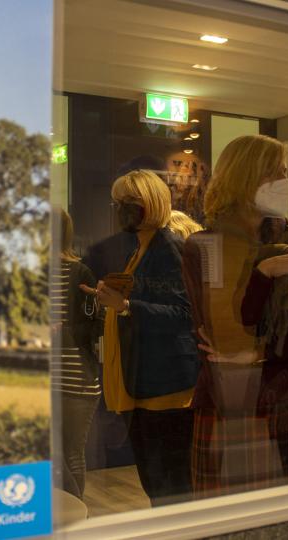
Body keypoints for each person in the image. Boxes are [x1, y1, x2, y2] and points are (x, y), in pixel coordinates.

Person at [182, 134, 288, 498]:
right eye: (275, 173)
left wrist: (259, 353)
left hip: (285, 401)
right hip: (226, 400)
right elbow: (213, 337)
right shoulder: (205, 247)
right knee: (226, 521)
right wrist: (265, 273)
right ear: (247, 177)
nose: (285, 182)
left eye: (285, 172)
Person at [80, 169, 199, 506]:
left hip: (167, 391)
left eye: (130, 202)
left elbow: (185, 314)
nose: (121, 209)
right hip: (146, 386)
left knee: (171, 489)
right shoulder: (141, 249)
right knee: (158, 486)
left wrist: (128, 305)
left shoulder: (168, 247)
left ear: (151, 203)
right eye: (118, 203)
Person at [51, 208, 102, 500]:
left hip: (75, 378)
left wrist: (65, 329)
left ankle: (74, 518)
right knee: (51, 452)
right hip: (41, 377)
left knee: (70, 452)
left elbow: (95, 327)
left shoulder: (79, 272)